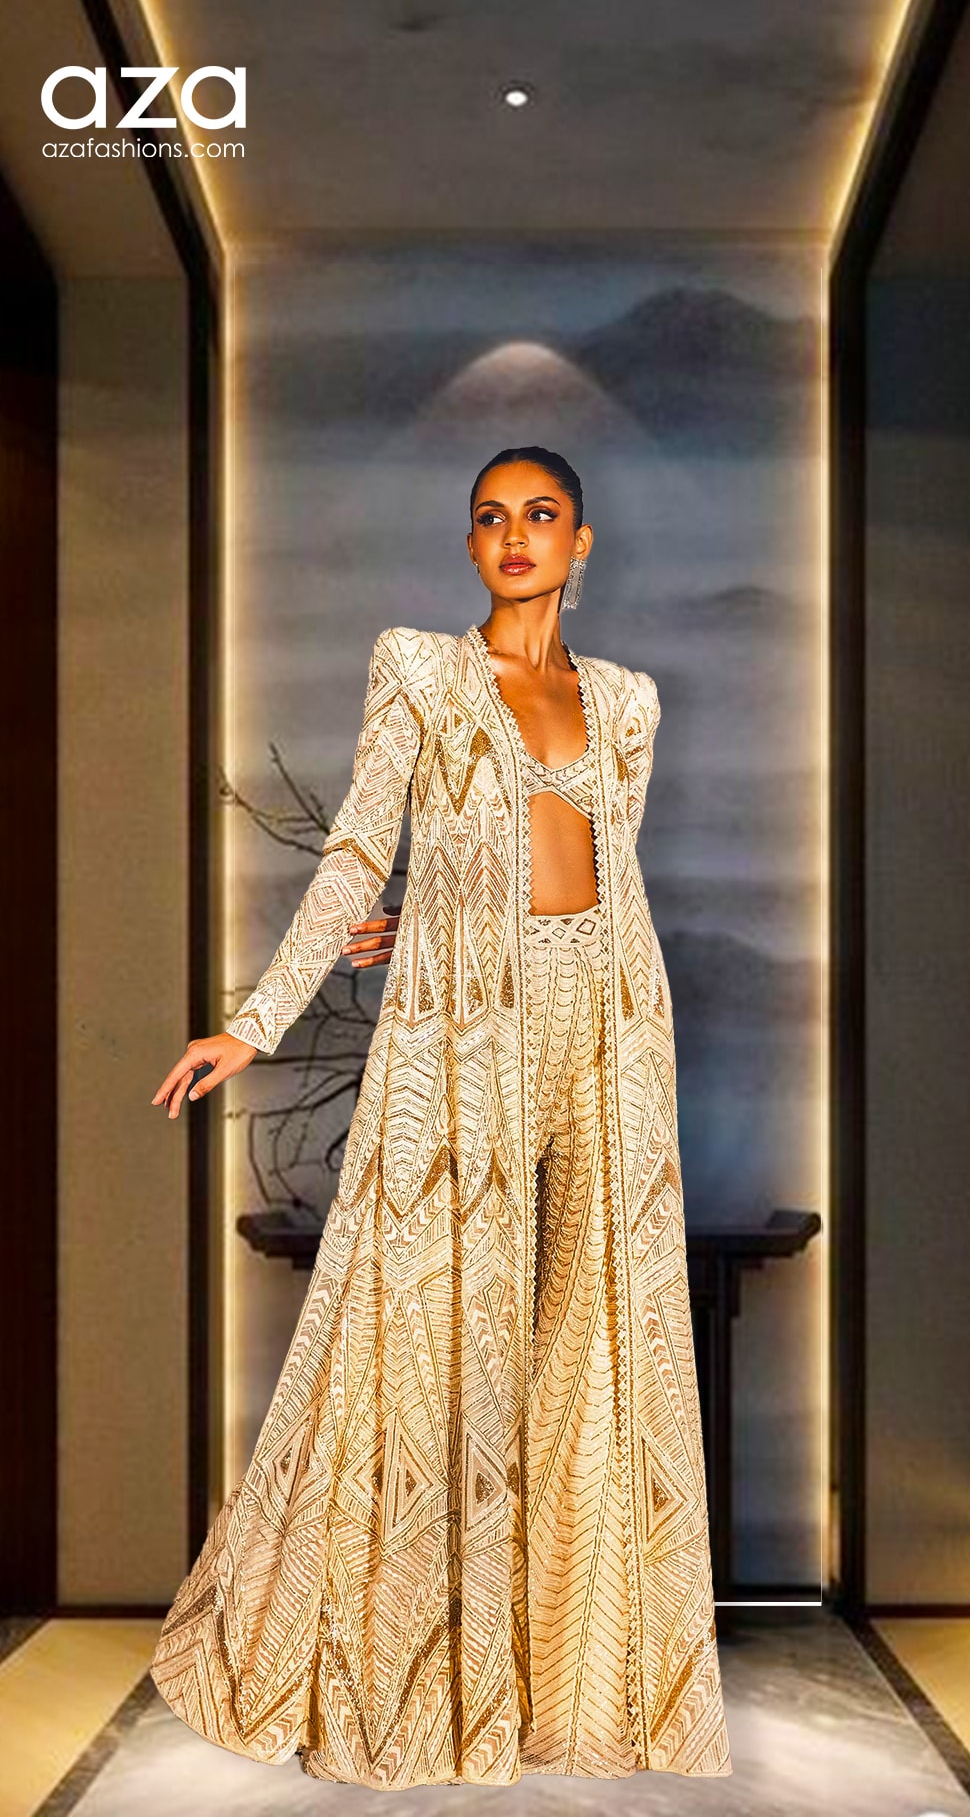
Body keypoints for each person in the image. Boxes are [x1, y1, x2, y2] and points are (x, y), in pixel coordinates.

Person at [149, 446, 733, 1786]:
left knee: (601, 1339)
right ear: (470, 546)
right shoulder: (416, 667)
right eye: (490, 518)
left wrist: (448, 905)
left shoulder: (630, 700)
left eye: (541, 515)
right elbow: (364, 842)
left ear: (581, 543)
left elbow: (597, 864)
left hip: (615, 1025)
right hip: (463, 1034)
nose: (515, 535)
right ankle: (418, 1685)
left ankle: (583, 1694)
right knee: (431, 1338)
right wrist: (257, 1019)